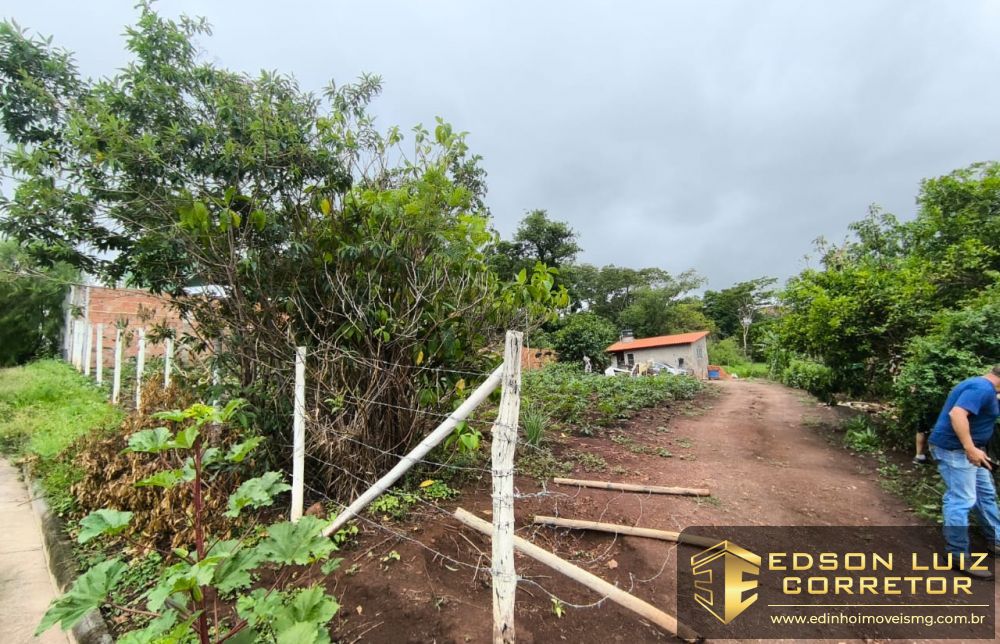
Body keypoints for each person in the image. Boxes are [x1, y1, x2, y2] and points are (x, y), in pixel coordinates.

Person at [927, 365, 1000, 578]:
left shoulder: (985, 388)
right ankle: (957, 555)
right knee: (962, 499)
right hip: (956, 451)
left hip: (969, 451)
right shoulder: (981, 388)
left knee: (985, 496)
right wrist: (970, 448)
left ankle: (996, 540)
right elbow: (957, 414)